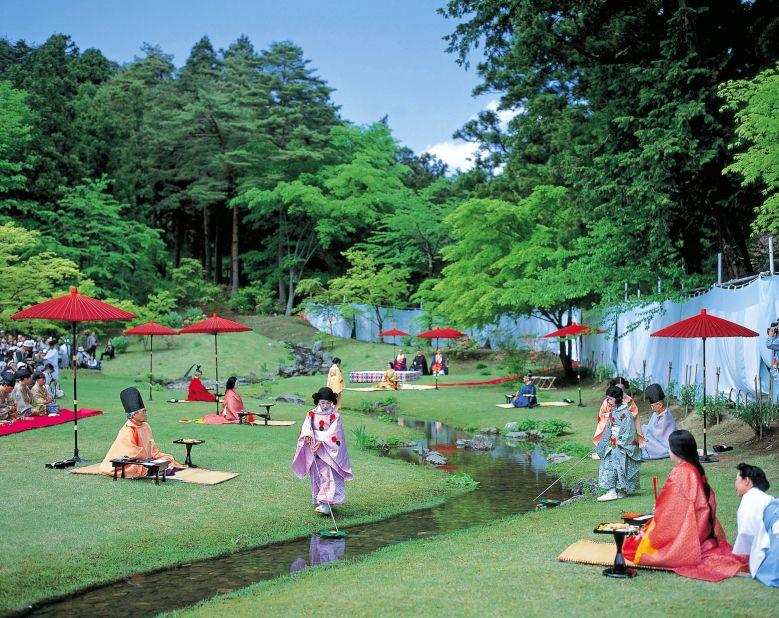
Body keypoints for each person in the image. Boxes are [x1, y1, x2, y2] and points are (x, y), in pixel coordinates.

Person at [622, 430, 747, 581]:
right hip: (703, 529)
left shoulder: (681, 471)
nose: (668, 450)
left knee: (632, 547)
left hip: (690, 532)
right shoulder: (695, 468)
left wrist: (659, 511)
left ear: (676, 450)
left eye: (669, 447)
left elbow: (672, 508)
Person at [292, 387, 352, 515]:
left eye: (328, 403)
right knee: (317, 474)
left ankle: (326, 504)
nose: (325, 406)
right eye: (322, 402)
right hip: (314, 448)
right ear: (318, 401)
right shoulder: (311, 414)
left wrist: (322, 441)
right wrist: (308, 435)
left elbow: (335, 432)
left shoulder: (334, 416)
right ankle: (322, 501)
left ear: (332, 402)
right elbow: (307, 427)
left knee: (327, 474)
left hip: (327, 449)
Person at [99, 387, 182, 478]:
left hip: (147, 459)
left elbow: (152, 446)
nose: (146, 413)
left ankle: (154, 468)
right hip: (130, 461)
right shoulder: (128, 430)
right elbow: (129, 454)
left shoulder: (145, 426)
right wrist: (147, 460)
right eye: (143, 411)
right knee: (135, 468)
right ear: (134, 414)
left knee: (167, 458)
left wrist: (152, 457)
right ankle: (152, 469)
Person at [595, 385, 641, 501]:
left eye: (610, 399)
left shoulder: (626, 414)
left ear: (619, 397)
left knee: (621, 467)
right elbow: (609, 427)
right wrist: (604, 440)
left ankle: (622, 490)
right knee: (608, 464)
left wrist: (620, 441)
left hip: (621, 444)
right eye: (608, 399)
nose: (608, 401)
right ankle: (611, 490)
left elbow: (630, 431)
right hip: (612, 443)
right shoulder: (613, 411)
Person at [733, 463, 777, 584]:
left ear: (746, 481)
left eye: (737, 480)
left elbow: (746, 532)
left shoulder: (750, 498)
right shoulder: (762, 497)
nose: (735, 484)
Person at [593, 376, 644, 450]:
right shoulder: (608, 401)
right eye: (617, 388)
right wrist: (611, 415)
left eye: (622, 388)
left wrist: (625, 417)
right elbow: (602, 414)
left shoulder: (629, 400)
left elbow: (634, 413)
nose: (620, 390)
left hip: (626, 427)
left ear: (624, 388)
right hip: (611, 426)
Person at [640, 384, 677, 459]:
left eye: (652, 406)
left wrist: (644, 432)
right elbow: (650, 427)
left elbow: (658, 434)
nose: (651, 408)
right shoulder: (656, 413)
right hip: (654, 439)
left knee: (641, 440)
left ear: (659, 405)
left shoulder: (666, 416)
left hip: (663, 444)